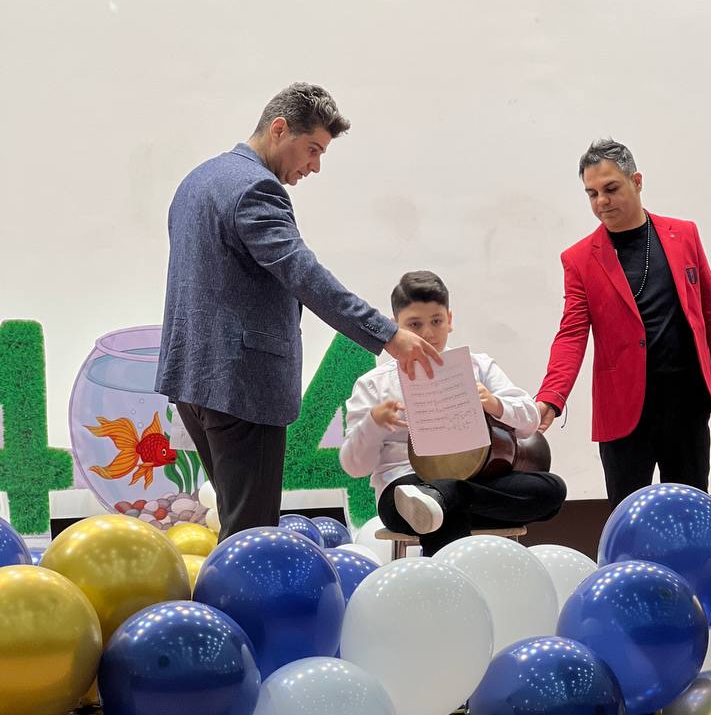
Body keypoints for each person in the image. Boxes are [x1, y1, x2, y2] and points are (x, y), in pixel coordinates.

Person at [155, 82, 440, 541]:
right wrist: (386, 333)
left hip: (193, 380)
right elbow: (303, 275)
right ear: (279, 129)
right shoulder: (257, 189)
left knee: (235, 522)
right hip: (242, 383)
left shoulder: (196, 181)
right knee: (252, 534)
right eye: (312, 149)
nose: (315, 166)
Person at [536, 138, 711, 507]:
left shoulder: (684, 235)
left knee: (691, 513)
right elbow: (571, 334)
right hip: (622, 411)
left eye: (611, 189)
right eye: (592, 194)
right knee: (628, 517)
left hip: (686, 404)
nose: (601, 201)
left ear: (636, 181)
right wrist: (551, 399)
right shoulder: (579, 259)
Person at [340, 270, 566, 556]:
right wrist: (373, 423)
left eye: (436, 321)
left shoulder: (478, 366)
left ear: (450, 320)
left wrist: (494, 403)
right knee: (425, 506)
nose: (427, 333)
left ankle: (443, 497)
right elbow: (354, 467)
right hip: (406, 488)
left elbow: (530, 421)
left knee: (551, 490)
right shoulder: (374, 384)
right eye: (414, 324)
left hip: (475, 482)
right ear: (395, 326)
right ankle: (440, 500)